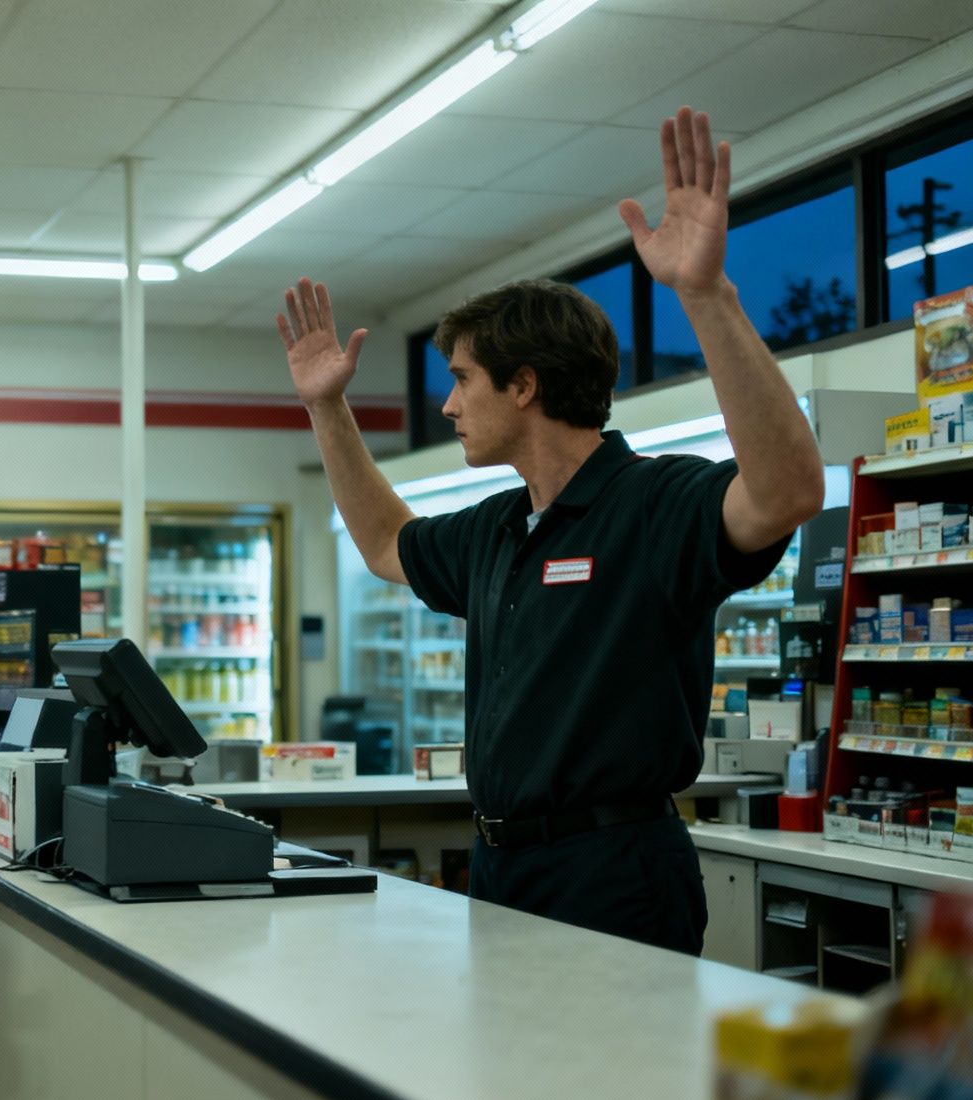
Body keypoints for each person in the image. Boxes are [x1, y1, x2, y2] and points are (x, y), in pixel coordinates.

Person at [280, 107, 826, 954]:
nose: (449, 404)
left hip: (614, 869)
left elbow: (787, 491)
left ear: (525, 385)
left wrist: (705, 296)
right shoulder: (501, 527)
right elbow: (388, 545)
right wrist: (327, 409)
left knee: (613, 1088)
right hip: (500, 867)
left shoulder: (654, 503)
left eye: (463, 379)